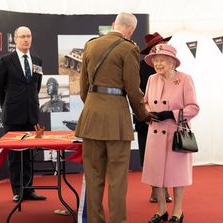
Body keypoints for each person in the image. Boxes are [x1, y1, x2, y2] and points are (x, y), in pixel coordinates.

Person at [75, 12, 151, 223]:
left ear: (113, 25)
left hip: (90, 119)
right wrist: (144, 115)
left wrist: (94, 106)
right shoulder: (129, 48)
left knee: (93, 177)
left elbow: (83, 89)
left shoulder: (91, 45)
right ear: (131, 30)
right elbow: (133, 90)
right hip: (117, 121)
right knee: (117, 179)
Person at [141, 44, 200, 223]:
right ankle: (161, 210)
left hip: (175, 134)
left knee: (177, 175)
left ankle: (177, 212)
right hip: (155, 132)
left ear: (172, 62)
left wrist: (170, 114)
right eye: (156, 61)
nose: (158, 64)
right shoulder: (151, 79)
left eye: (162, 61)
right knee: (155, 174)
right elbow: (144, 102)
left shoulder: (184, 79)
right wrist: (148, 113)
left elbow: (194, 108)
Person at [0, 26, 46, 203]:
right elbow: (0, 88)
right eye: (22, 36)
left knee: (29, 155)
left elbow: (36, 86)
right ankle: (18, 190)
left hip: (31, 115)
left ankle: (29, 189)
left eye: (29, 36)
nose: (26, 39)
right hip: (13, 116)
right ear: (15, 39)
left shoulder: (37, 61)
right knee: (16, 156)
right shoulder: (6, 60)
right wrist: (8, 105)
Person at [137, 32, 172, 203]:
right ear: (152, 49)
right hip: (146, 119)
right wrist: (145, 113)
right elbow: (136, 94)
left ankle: (165, 189)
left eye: (165, 43)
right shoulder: (140, 67)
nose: (164, 46)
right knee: (149, 157)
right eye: (161, 43)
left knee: (167, 157)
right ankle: (155, 190)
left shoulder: (171, 66)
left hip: (167, 120)